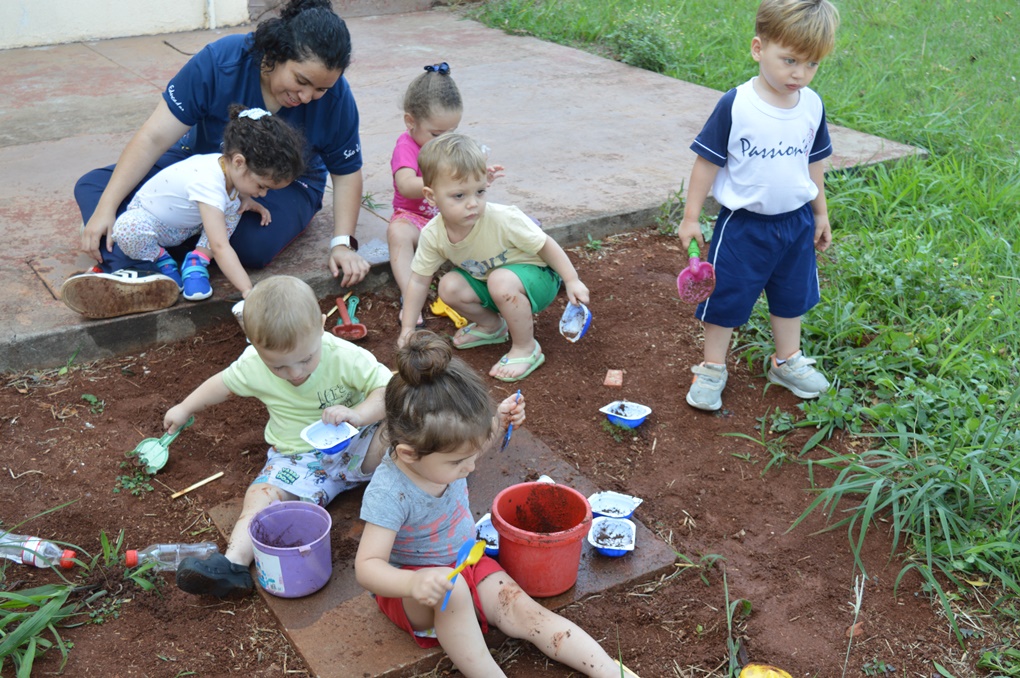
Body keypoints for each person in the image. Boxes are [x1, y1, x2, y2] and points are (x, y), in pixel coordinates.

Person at [355, 330, 639, 678]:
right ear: (408, 454)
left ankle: (608, 671)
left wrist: (501, 419)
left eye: (472, 455)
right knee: (455, 590)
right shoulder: (390, 492)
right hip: (414, 593)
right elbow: (367, 566)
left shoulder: (441, 451)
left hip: (467, 562)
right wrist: (414, 585)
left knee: (522, 610)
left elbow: (473, 442)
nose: (471, 468)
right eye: (459, 463)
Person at [70, 0, 370, 318]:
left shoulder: (337, 97)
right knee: (95, 188)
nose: (308, 97)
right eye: (302, 81)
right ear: (277, 53)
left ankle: (134, 263)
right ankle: (173, 259)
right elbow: (154, 137)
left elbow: (347, 172)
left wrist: (342, 243)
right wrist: (105, 207)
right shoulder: (221, 61)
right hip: (202, 166)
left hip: (282, 184)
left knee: (253, 244)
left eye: (321, 89)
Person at [163, 276, 391, 597]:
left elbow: (387, 390)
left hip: (358, 442)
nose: (296, 373)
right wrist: (185, 407)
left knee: (404, 421)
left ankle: (431, 477)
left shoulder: (343, 355)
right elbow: (223, 385)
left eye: (306, 359)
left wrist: (358, 415)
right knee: (262, 495)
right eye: (279, 367)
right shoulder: (254, 365)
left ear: (322, 325)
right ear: (253, 345)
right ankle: (233, 565)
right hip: (298, 460)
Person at [677, 0, 839, 411]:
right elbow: (706, 162)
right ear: (757, 48)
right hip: (744, 227)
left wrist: (820, 213)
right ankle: (712, 367)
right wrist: (691, 217)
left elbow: (813, 162)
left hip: (797, 224)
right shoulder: (737, 104)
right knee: (727, 297)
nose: (799, 74)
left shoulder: (812, 105)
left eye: (812, 64)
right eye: (789, 60)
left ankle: (786, 361)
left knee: (792, 296)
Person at [61, 106, 305, 318]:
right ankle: (160, 260)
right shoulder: (208, 182)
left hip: (185, 226)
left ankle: (196, 260)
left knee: (235, 209)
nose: (263, 194)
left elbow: (235, 195)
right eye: (262, 186)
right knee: (126, 229)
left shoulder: (228, 168)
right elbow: (220, 246)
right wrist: (248, 291)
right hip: (152, 223)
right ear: (239, 162)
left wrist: (247, 199)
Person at [398, 133, 588, 382]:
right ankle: (493, 327)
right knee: (449, 286)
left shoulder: (503, 219)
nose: (472, 203)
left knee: (500, 280)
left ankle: (526, 348)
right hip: (494, 282)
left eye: (479, 191)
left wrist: (571, 279)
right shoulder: (433, 234)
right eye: (459, 195)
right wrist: (408, 329)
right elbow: (419, 281)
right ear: (431, 196)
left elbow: (545, 244)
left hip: (537, 280)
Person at [387, 62, 503, 327]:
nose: (444, 140)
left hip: (451, 217)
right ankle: (410, 297)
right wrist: (444, 184)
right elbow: (405, 185)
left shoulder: (448, 146)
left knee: (490, 221)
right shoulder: (406, 147)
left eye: (452, 132)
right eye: (437, 134)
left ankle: (509, 274)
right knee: (397, 233)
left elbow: (466, 182)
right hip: (415, 217)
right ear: (410, 121)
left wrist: (479, 178)